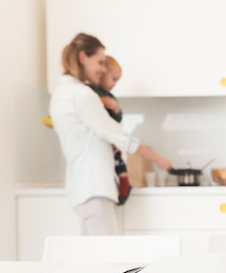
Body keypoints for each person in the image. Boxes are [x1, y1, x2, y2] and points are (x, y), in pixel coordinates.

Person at [49, 32, 172, 235]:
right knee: (109, 260)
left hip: (80, 189)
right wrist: (158, 159)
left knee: (94, 261)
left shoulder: (60, 94)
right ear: (82, 57)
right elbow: (119, 137)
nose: (103, 70)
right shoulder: (82, 95)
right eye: (99, 62)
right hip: (96, 188)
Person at [87, 55, 130, 205]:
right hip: (101, 139)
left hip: (111, 139)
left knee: (118, 159)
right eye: (113, 79)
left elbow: (118, 118)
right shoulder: (89, 92)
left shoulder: (110, 96)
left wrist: (116, 108)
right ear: (102, 73)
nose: (115, 84)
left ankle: (124, 181)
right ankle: (121, 181)